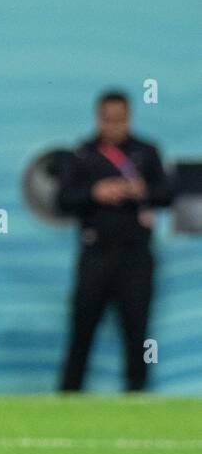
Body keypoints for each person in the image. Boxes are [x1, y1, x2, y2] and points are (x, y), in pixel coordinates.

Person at [58, 91, 173, 392]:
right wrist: (95, 193)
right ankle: (67, 399)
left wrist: (141, 190)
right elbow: (63, 199)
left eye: (119, 119)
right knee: (81, 331)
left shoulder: (146, 152)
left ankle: (137, 400)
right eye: (107, 120)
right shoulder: (83, 154)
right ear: (99, 119)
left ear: (129, 118)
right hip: (95, 254)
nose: (113, 126)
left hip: (135, 257)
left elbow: (167, 194)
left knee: (137, 333)